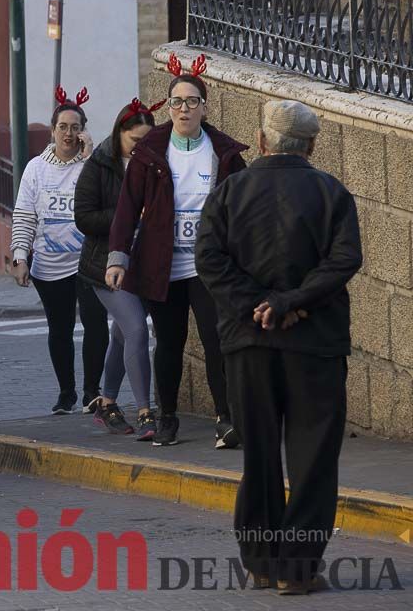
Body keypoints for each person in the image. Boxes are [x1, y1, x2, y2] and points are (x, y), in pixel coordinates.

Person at [196, 100, 361, 594]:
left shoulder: (229, 192)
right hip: (315, 344)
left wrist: (258, 306)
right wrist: (290, 302)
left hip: (249, 343)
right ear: (310, 145)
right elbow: (343, 259)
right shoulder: (331, 191)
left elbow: (208, 258)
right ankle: (297, 569)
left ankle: (262, 562)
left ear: (263, 140)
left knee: (259, 456)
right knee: (313, 457)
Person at [107, 54, 248, 449]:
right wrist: (118, 257)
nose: (183, 108)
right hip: (163, 265)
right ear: (168, 108)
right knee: (169, 343)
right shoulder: (151, 148)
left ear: (204, 106)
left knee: (216, 340)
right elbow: (127, 206)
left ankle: (226, 418)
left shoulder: (223, 152)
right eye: (176, 102)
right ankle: (167, 418)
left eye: (191, 101)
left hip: (208, 266)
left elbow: (245, 205)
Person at [10, 87, 109, 415]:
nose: (69, 133)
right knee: (60, 328)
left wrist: (91, 156)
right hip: (49, 265)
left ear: (84, 130)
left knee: (95, 324)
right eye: (63, 127)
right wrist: (20, 256)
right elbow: (25, 215)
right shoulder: (36, 169)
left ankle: (91, 391)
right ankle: (66, 392)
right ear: (53, 131)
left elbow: (108, 199)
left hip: (88, 263)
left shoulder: (92, 166)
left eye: (75, 127)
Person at [75, 99, 161, 439]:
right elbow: (83, 217)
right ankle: (145, 412)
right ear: (120, 135)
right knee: (138, 330)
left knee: (123, 334)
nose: (143, 147)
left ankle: (107, 401)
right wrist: (127, 217)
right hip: (106, 264)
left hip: (146, 263)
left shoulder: (156, 161)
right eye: (136, 142)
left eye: (148, 141)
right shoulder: (99, 165)